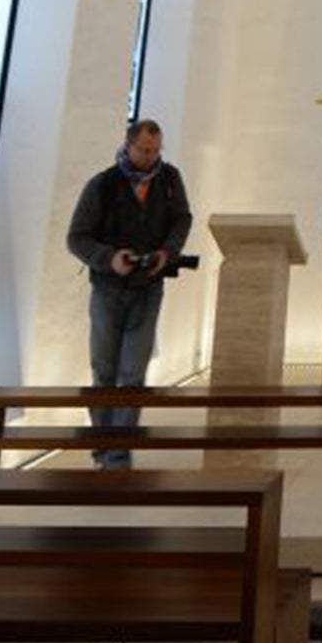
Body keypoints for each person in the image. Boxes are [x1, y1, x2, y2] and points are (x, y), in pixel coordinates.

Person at [65, 119, 193, 467]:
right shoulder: (103, 185)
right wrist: (109, 258)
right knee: (104, 369)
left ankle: (118, 454)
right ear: (128, 144)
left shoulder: (169, 180)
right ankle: (102, 446)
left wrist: (167, 252)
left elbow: (182, 219)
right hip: (108, 289)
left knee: (133, 372)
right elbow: (76, 237)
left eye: (156, 151)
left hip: (148, 287)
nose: (151, 157)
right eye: (144, 150)